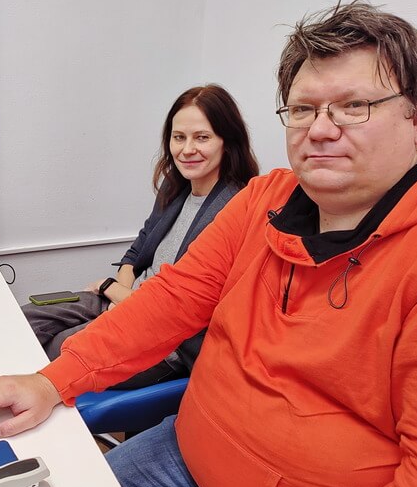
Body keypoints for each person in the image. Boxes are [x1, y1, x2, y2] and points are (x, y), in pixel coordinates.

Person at [0, 0, 417, 487]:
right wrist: (52, 382)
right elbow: (171, 298)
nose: (320, 129)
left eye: (354, 106)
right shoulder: (264, 199)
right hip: (185, 452)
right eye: (302, 109)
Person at [23, 84, 259, 389]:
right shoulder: (175, 188)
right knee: (26, 320)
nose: (187, 149)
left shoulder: (235, 208)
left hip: (163, 336)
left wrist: (112, 290)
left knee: (60, 347)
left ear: (227, 142)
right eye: (179, 137)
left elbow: (183, 310)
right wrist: (121, 293)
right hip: (125, 299)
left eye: (202, 137)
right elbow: (137, 251)